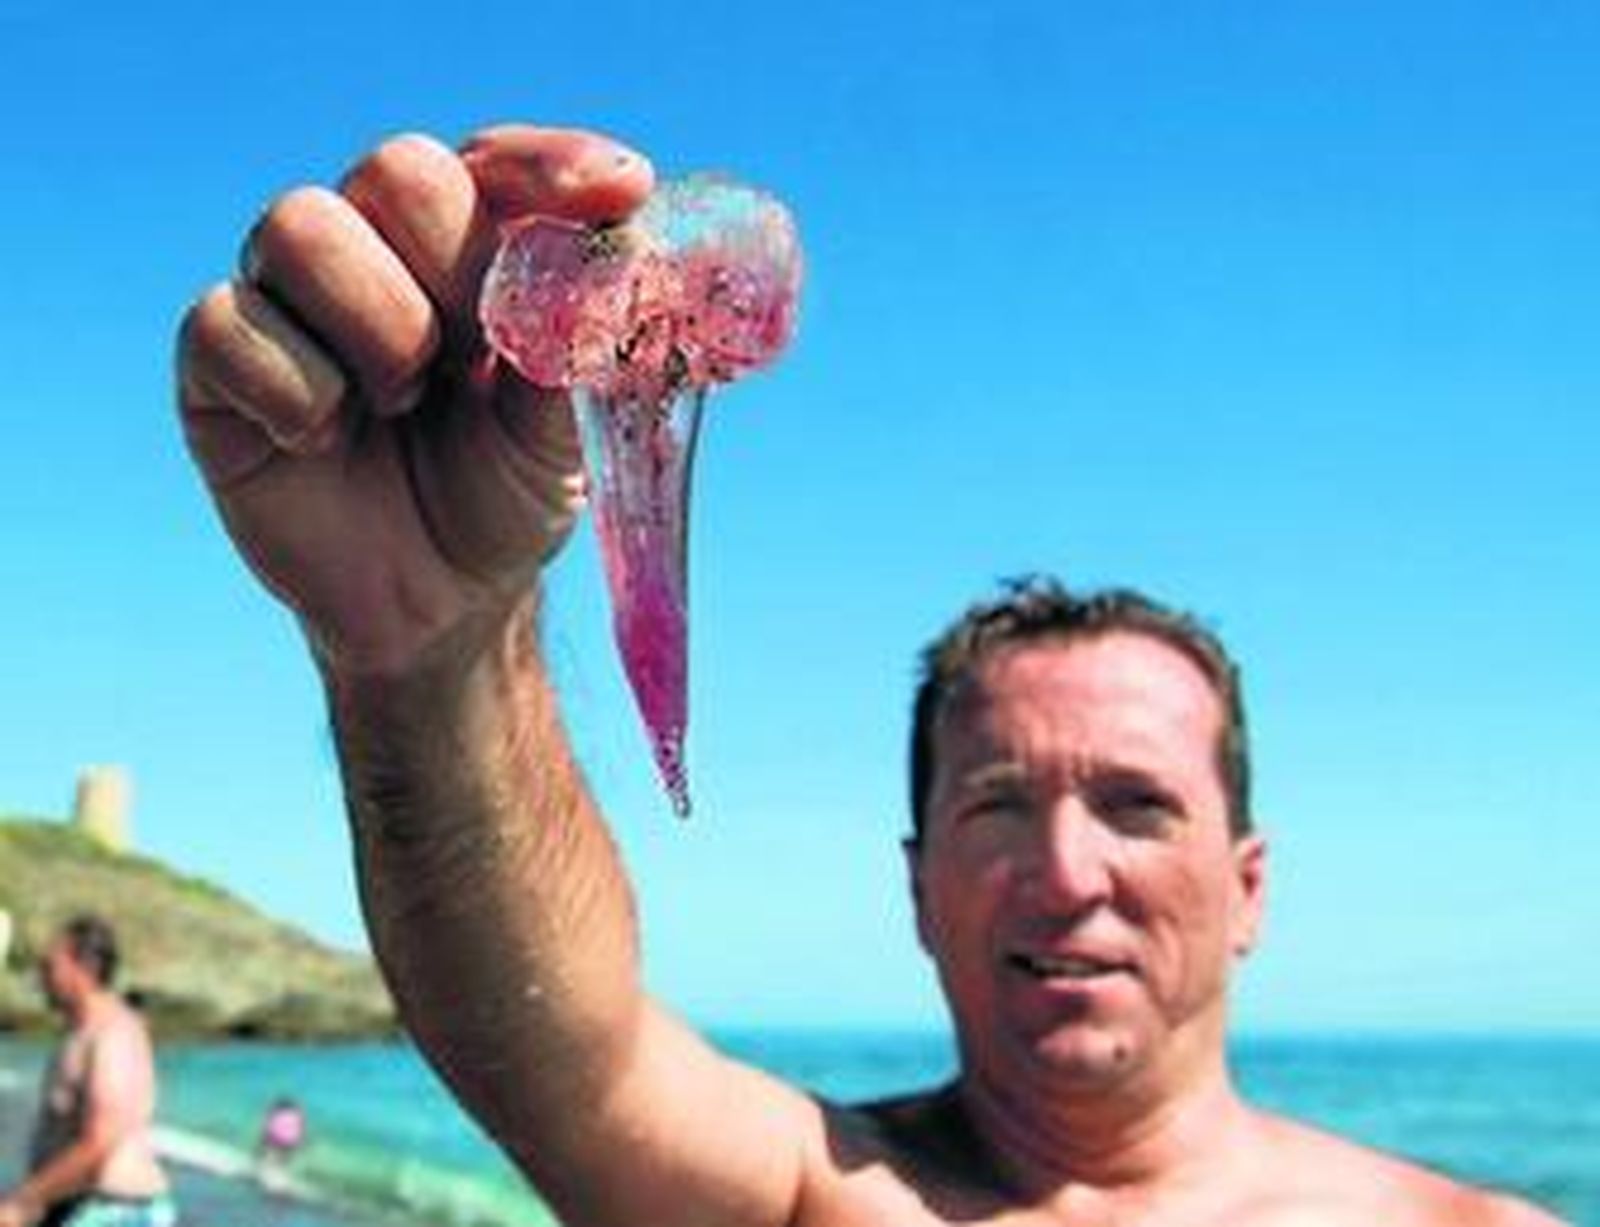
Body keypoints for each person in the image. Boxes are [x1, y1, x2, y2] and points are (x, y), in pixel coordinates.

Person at [174, 122, 1566, 1227]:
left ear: (1250, 881)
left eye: (1137, 804)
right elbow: (569, 1060)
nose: (1068, 868)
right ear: (915, 884)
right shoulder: (809, 1191)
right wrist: (433, 649)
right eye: (998, 805)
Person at [0, 917, 174, 1227]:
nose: (41, 976)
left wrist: (24, 1200)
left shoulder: (113, 1035)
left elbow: (100, 1143)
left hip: (116, 1211)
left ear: (83, 969)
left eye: (50, 965)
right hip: (79, 1206)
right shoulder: (79, 1033)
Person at [254, 1096, 305, 1191]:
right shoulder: (296, 1114)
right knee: (284, 1157)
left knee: (268, 1151)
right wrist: (300, 1141)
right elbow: (302, 1128)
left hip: (278, 1136)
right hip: (291, 1138)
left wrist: (263, 1134)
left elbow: (265, 1125)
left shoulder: (275, 1112)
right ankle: (282, 1176)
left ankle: (265, 1172)